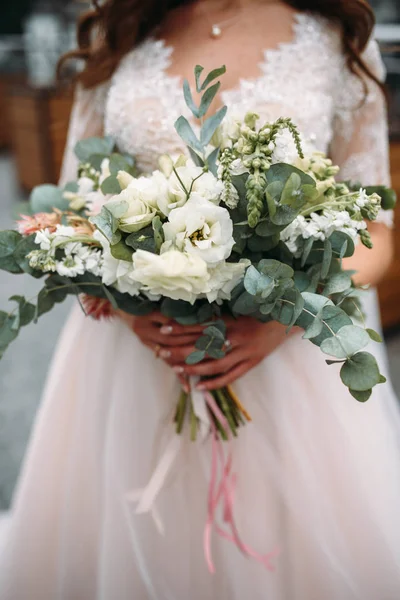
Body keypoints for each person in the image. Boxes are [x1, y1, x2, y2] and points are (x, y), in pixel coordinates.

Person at [1, 0, 400, 598]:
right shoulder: (120, 31)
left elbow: (376, 230)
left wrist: (285, 317)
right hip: (136, 354)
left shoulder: (336, 40)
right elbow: (71, 205)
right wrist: (123, 298)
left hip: (286, 358)